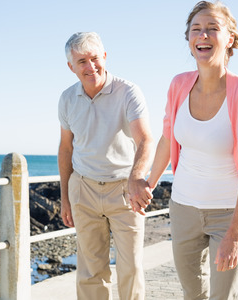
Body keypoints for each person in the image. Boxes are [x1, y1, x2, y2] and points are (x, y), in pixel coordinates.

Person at [131, 1, 238, 299]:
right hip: (184, 209)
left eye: (212, 29)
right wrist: (148, 184)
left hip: (229, 213)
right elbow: (168, 140)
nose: (203, 35)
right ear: (189, 40)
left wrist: (234, 232)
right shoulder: (179, 85)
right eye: (196, 29)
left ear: (229, 38)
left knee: (221, 296)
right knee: (193, 295)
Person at [58, 32, 153, 300]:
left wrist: (136, 177)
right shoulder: (66, 99)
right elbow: (66, 149)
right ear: (71, 67)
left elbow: (145, 139)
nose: (90, 67)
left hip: (125, 191)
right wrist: (65, 197)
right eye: (82, 62)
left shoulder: (128, 92)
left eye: (94, 59)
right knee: (90, 270)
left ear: (105, 57)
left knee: (130, 267)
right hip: (84, 189)